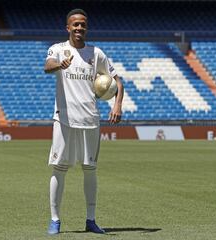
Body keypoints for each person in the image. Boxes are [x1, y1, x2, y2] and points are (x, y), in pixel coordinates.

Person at [44, 8, 124, 235]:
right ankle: (55, 220)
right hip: (64, 119)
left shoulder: (96, 53)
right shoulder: (58, 49)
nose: (79, 28)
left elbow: (117, 81)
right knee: (59, 168)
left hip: (90, 120)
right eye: (75, 24)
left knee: (90, 169)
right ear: (67, 27)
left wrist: (117, 104)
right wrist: (61, 65)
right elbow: (47, 66)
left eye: (83, 25)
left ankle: (91, 220)